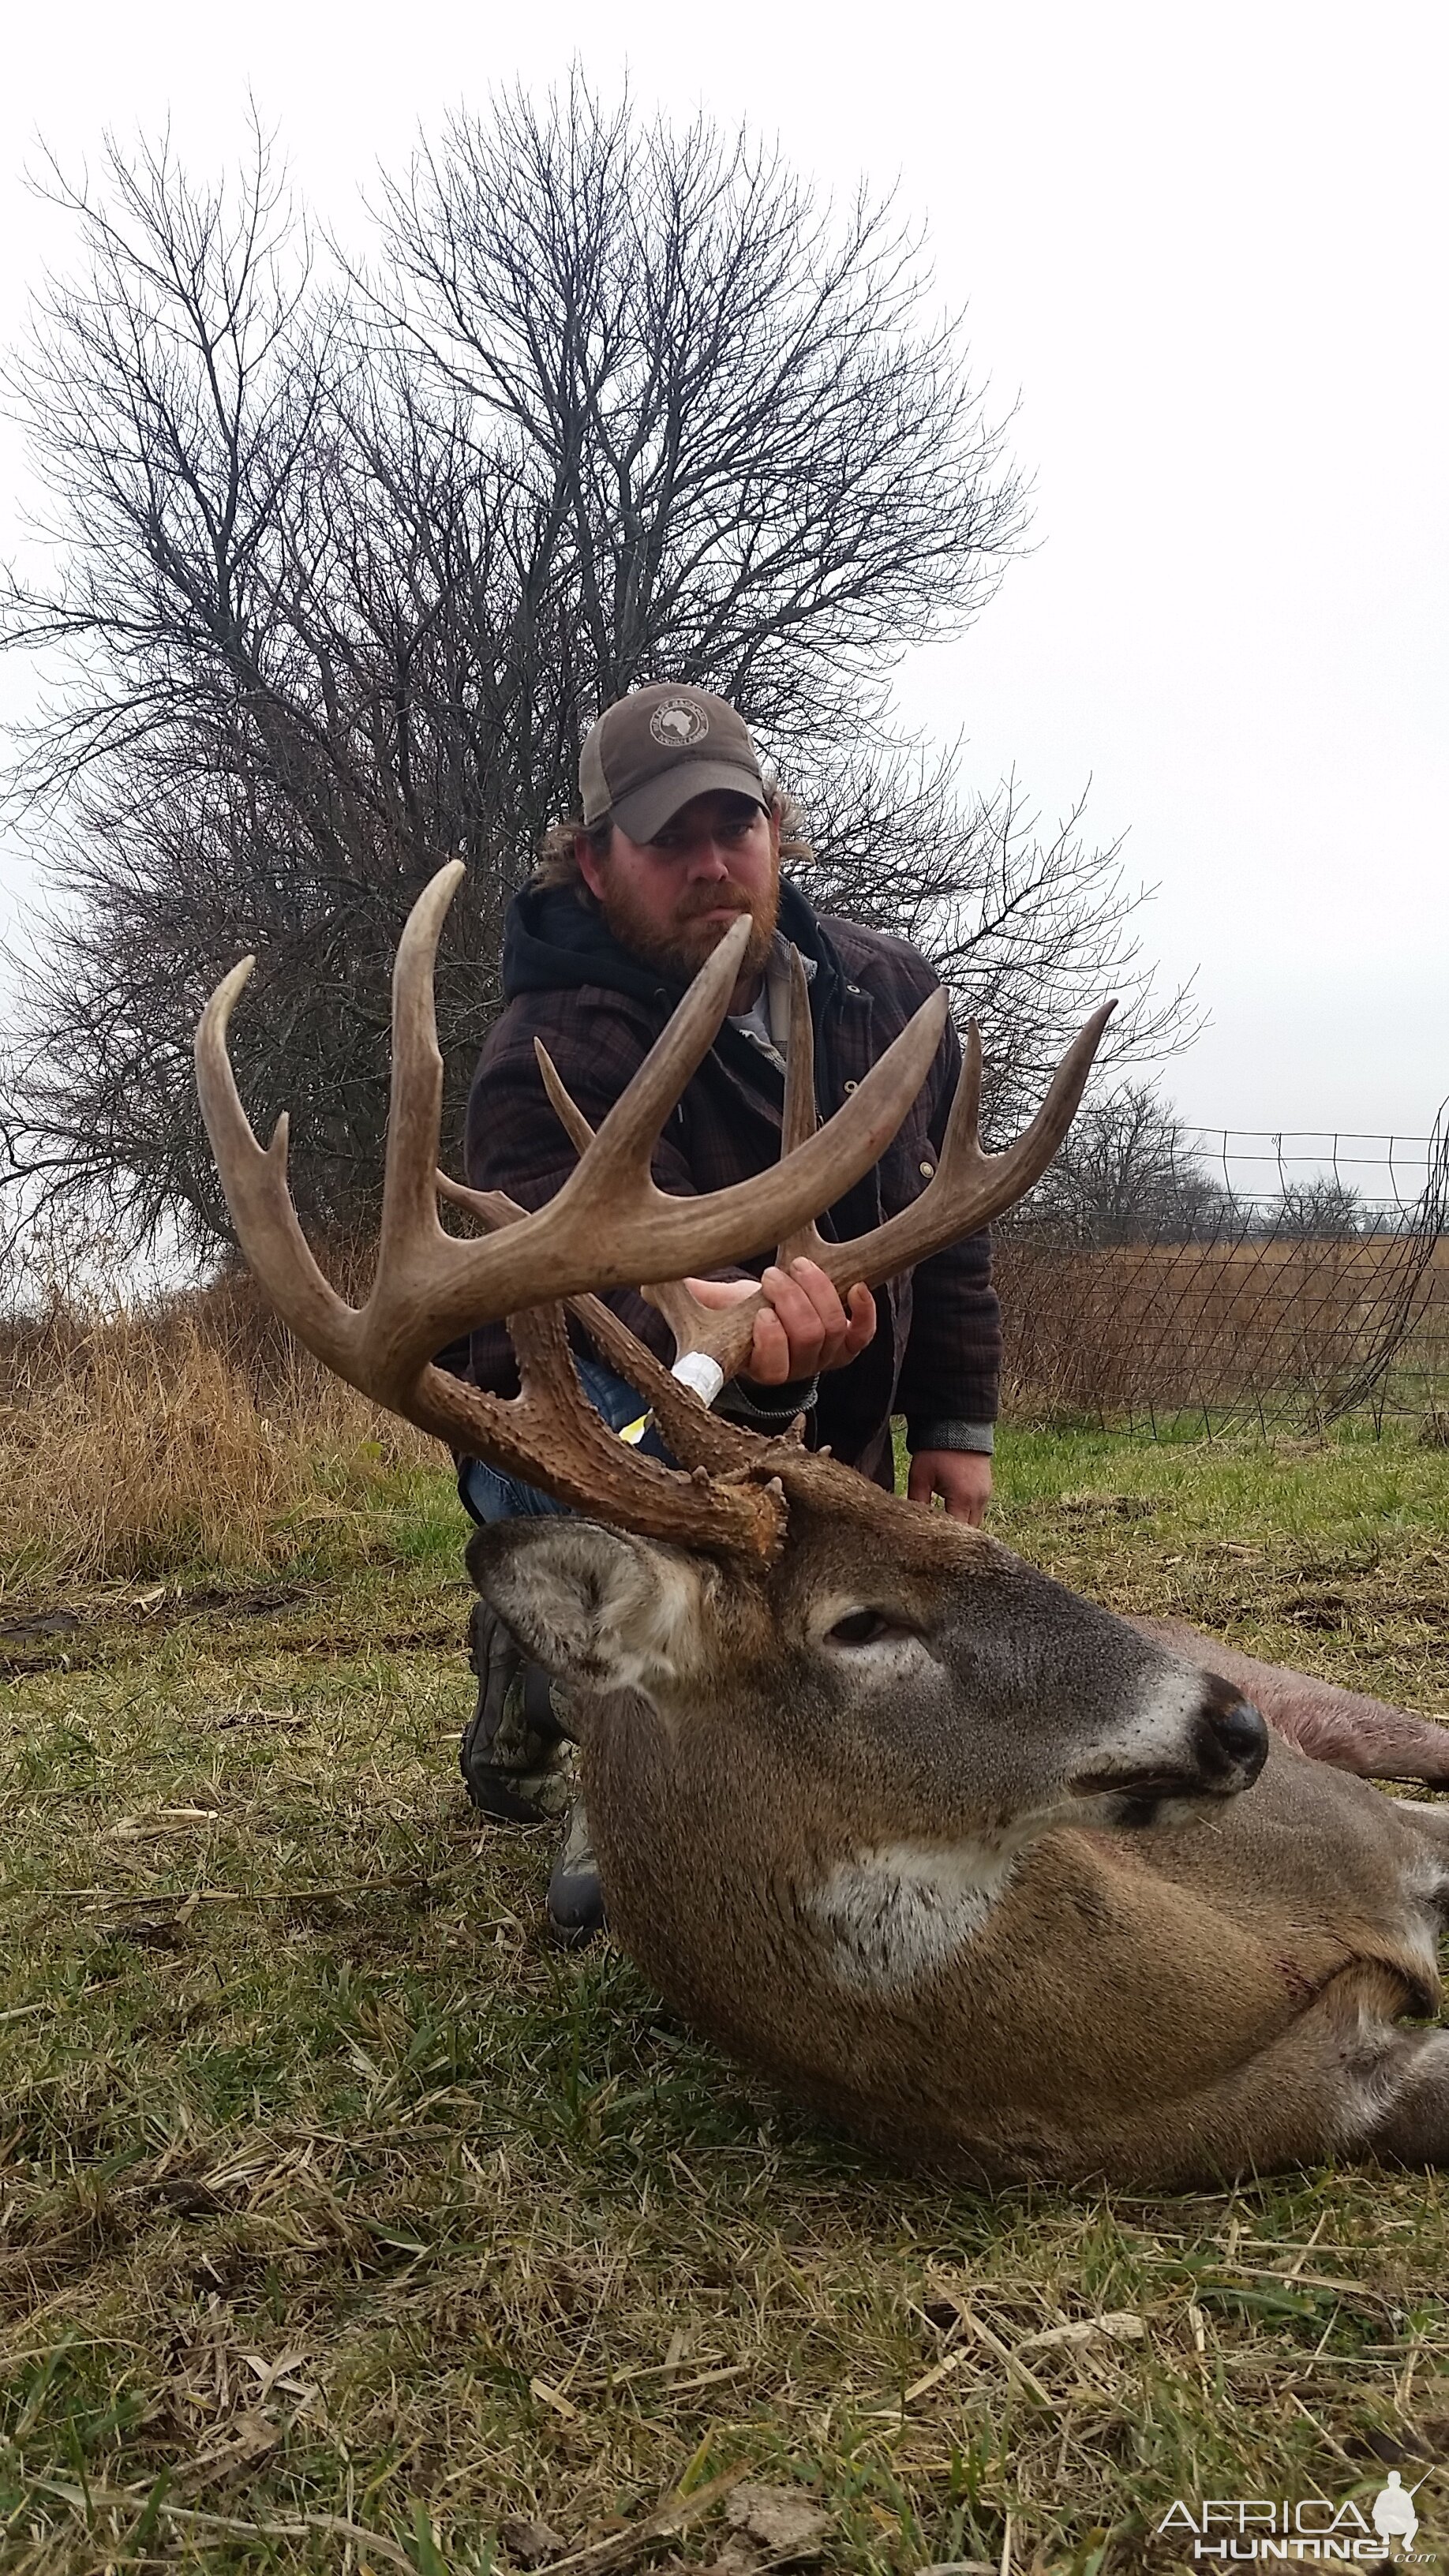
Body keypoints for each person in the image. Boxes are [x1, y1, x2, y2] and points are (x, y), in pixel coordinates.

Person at [456, 682, 1001, 1939]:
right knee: (625, 1482)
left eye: (733, 827)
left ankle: (568, 1666)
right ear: (595, 862)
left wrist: (958, 1423)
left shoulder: (888, 991)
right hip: (613, 1453)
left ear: (777, 830)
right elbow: (534, 1345)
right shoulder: (546, 1055)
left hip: (832, 1449)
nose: (710, 866)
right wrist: (732, 1364)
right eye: (666, 841)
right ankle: (608, 1716)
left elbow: (948, 1224)